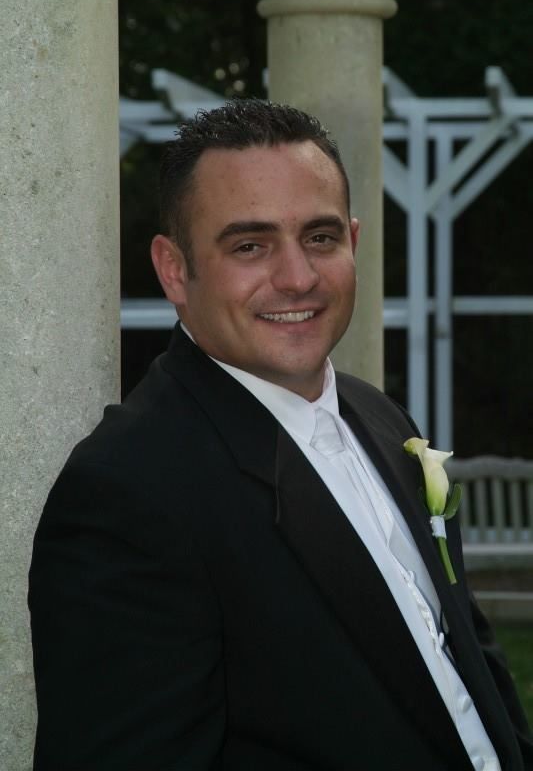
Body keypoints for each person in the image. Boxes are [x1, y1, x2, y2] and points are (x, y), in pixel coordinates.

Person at [29, 100, 532, 771]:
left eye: (319, 237)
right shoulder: (127, 490)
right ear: (174, 268)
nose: (297, 276)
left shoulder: (381, 419)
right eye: (250, 245)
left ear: (353, 239)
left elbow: (459, 653)